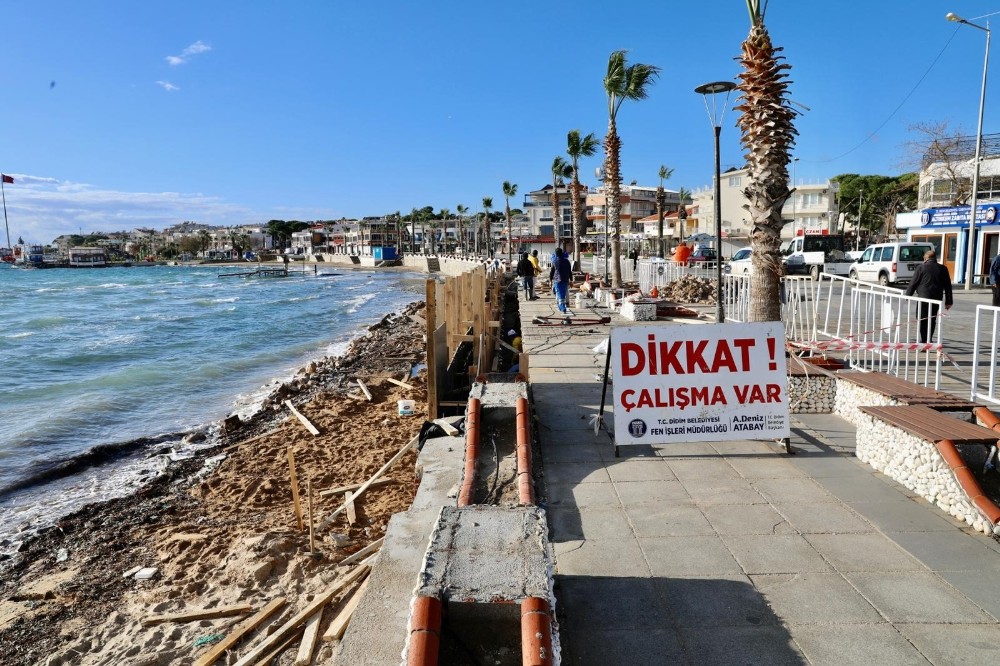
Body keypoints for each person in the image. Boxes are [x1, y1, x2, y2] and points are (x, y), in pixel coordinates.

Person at [904, 249, 953, 344]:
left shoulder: (921, 267)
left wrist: (908, 296)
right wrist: (949, 301)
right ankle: (929, 339)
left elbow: (913, 283)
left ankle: (924, 340)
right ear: (935, 258)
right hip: (936, 299)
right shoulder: (943, 268)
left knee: (922, 319)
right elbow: (948, 286)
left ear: (925, 258)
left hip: (923, 298)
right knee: (932, 319)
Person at [550, 247, 573, 313]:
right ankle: (561, 306)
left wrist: (550, 280)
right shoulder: (567, 261)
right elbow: (569, 272)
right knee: (562, 293)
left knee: (559, 294)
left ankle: (562, 308)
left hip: (557, 279)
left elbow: (552, 272)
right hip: (565, 279)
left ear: (556, 254)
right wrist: (571, 280)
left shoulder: (554, 261)